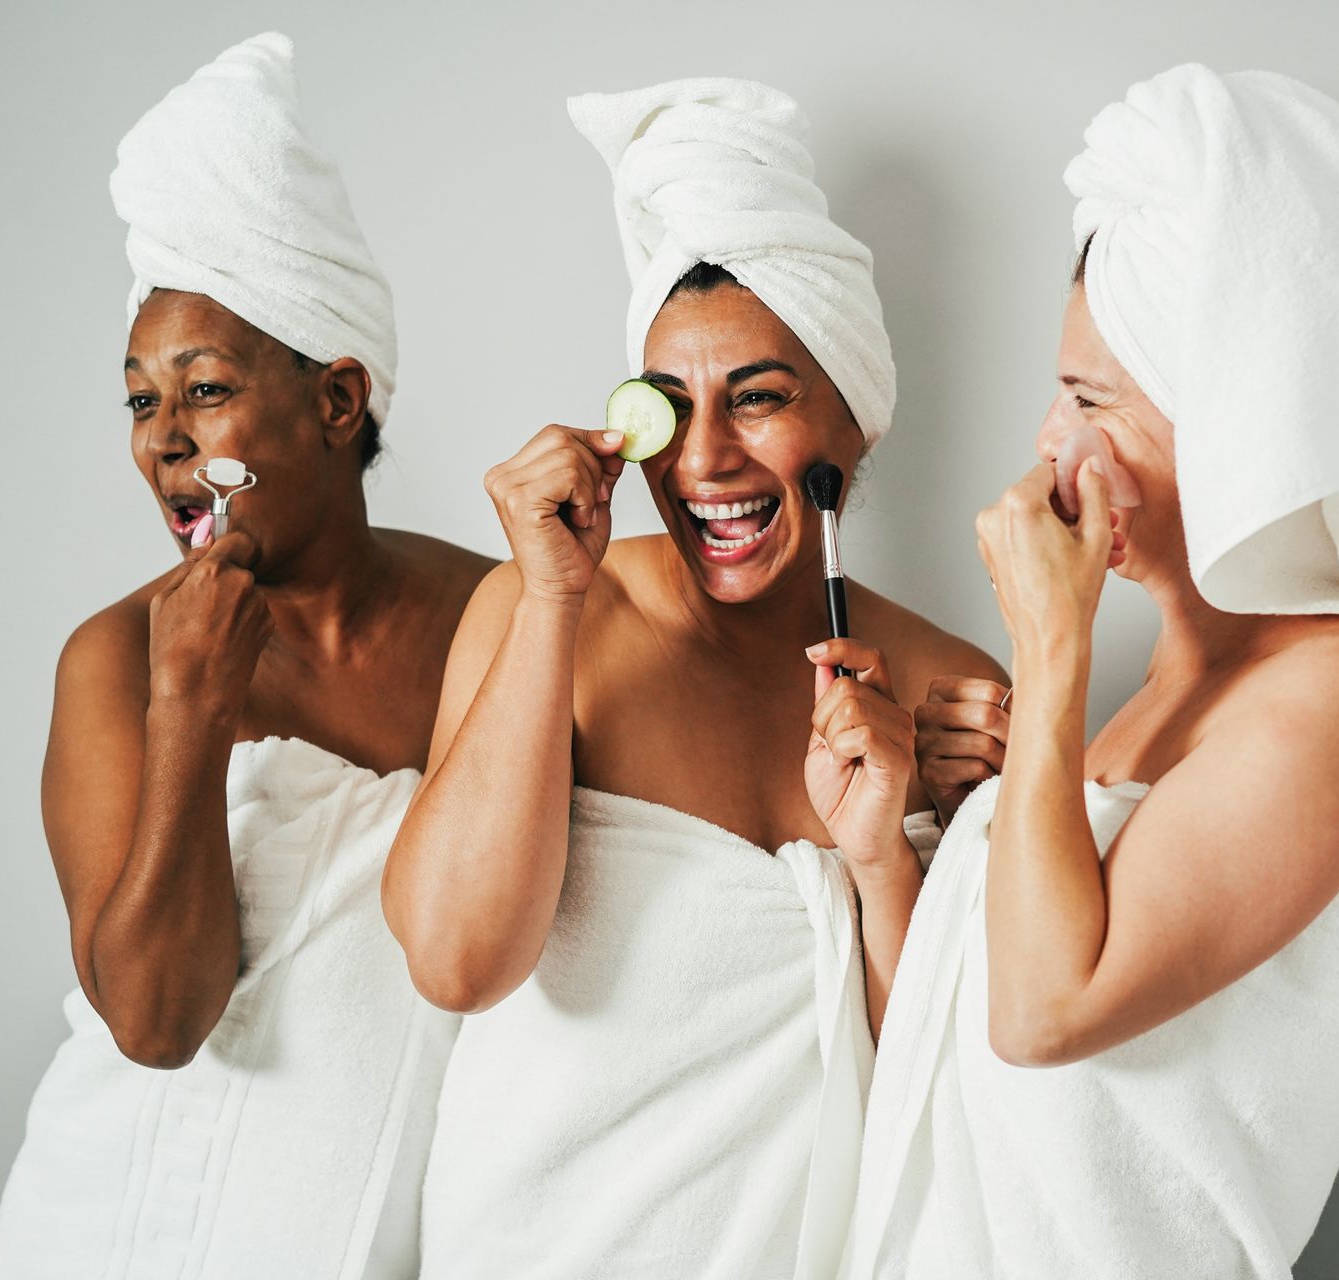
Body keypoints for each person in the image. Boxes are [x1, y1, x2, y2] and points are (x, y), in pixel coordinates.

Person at [842, 64, 1339, 1279]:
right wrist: (892, 851)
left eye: (1092, 399)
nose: (1049, 442)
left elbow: (1044, 1012)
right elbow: (946, 1079)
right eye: (1057, 392)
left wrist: (1051, 643)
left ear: (1244, 424)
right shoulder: (1154, 703)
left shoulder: (1336, 704)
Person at [382, 78, 1002, 1280]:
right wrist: (552, 600)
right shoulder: (550, 613)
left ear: (856, 420)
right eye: (670, 410)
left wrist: (899, 850)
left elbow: (944, 1098)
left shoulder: (948, 693)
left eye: (758, 398)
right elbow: (457, 959)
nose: (706, 457)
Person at [0, 33, 491, 1279]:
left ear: (336, 400)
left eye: (203, 390)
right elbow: (157, 1020)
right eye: (140, 400)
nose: (163, 440)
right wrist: (191, 710)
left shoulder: (492, 616)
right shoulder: (117, 658)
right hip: (118, 1230)